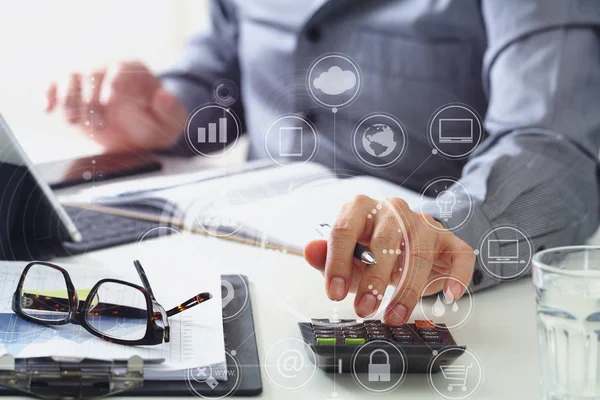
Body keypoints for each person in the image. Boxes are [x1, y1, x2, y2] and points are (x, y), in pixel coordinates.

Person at [45, 0, 600, 326]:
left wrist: (442, 228)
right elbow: (222, 73)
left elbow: (554, 142)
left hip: (424, 305)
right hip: (234, 267)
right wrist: (163, 115)